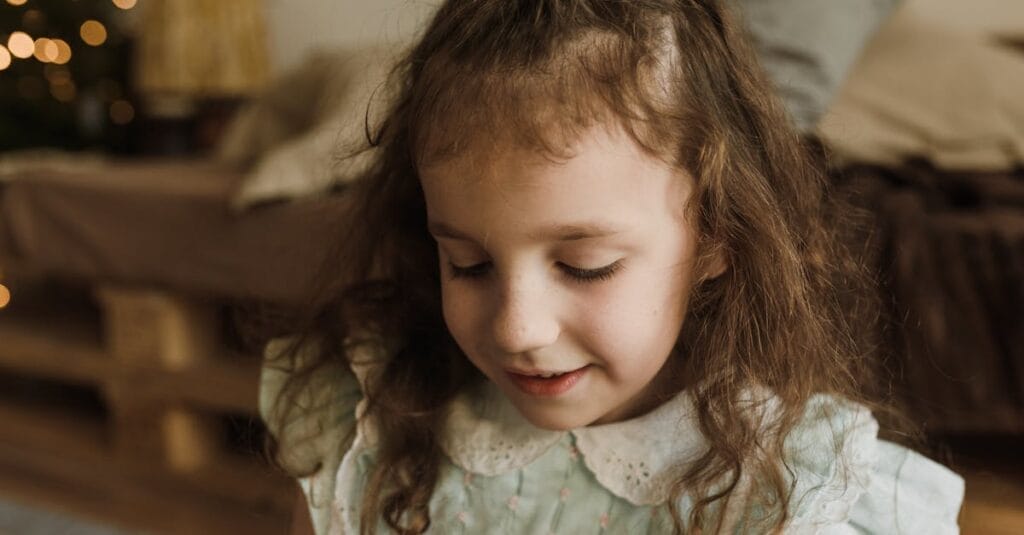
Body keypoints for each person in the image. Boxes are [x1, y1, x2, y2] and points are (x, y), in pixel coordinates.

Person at [259, 1, 964, 533]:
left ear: (716, 236)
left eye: (586, 266)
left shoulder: (798, 486)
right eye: (468, 264)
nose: (518, 327)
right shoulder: (370, 424)